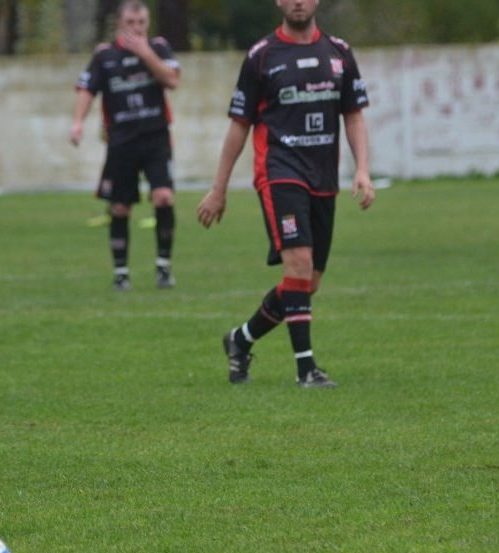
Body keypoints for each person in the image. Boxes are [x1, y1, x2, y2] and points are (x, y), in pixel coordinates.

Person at [196, 0, 374, 388]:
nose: (298, 1)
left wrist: (362, 170)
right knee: (298, 264)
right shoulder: (261, 57)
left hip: (324, 177)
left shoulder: (340, 53)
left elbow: (354, 116)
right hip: (279, 173)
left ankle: (240, 339)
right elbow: (239, 125)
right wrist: (218, 189)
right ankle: (306, 369)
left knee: (308, 283)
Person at [70, 0, 181, 291]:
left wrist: (146, 54)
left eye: (141, 23)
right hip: (121, 142)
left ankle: (163, 267)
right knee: (119, 207)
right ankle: (121, 272)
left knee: (164, 197)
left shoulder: (158, 48)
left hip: (156, 137)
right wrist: (78, 122)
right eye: (131, 23)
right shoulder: (105, 56)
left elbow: (172, 80)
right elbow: (86, 89)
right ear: (120, 23)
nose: (136, 28)